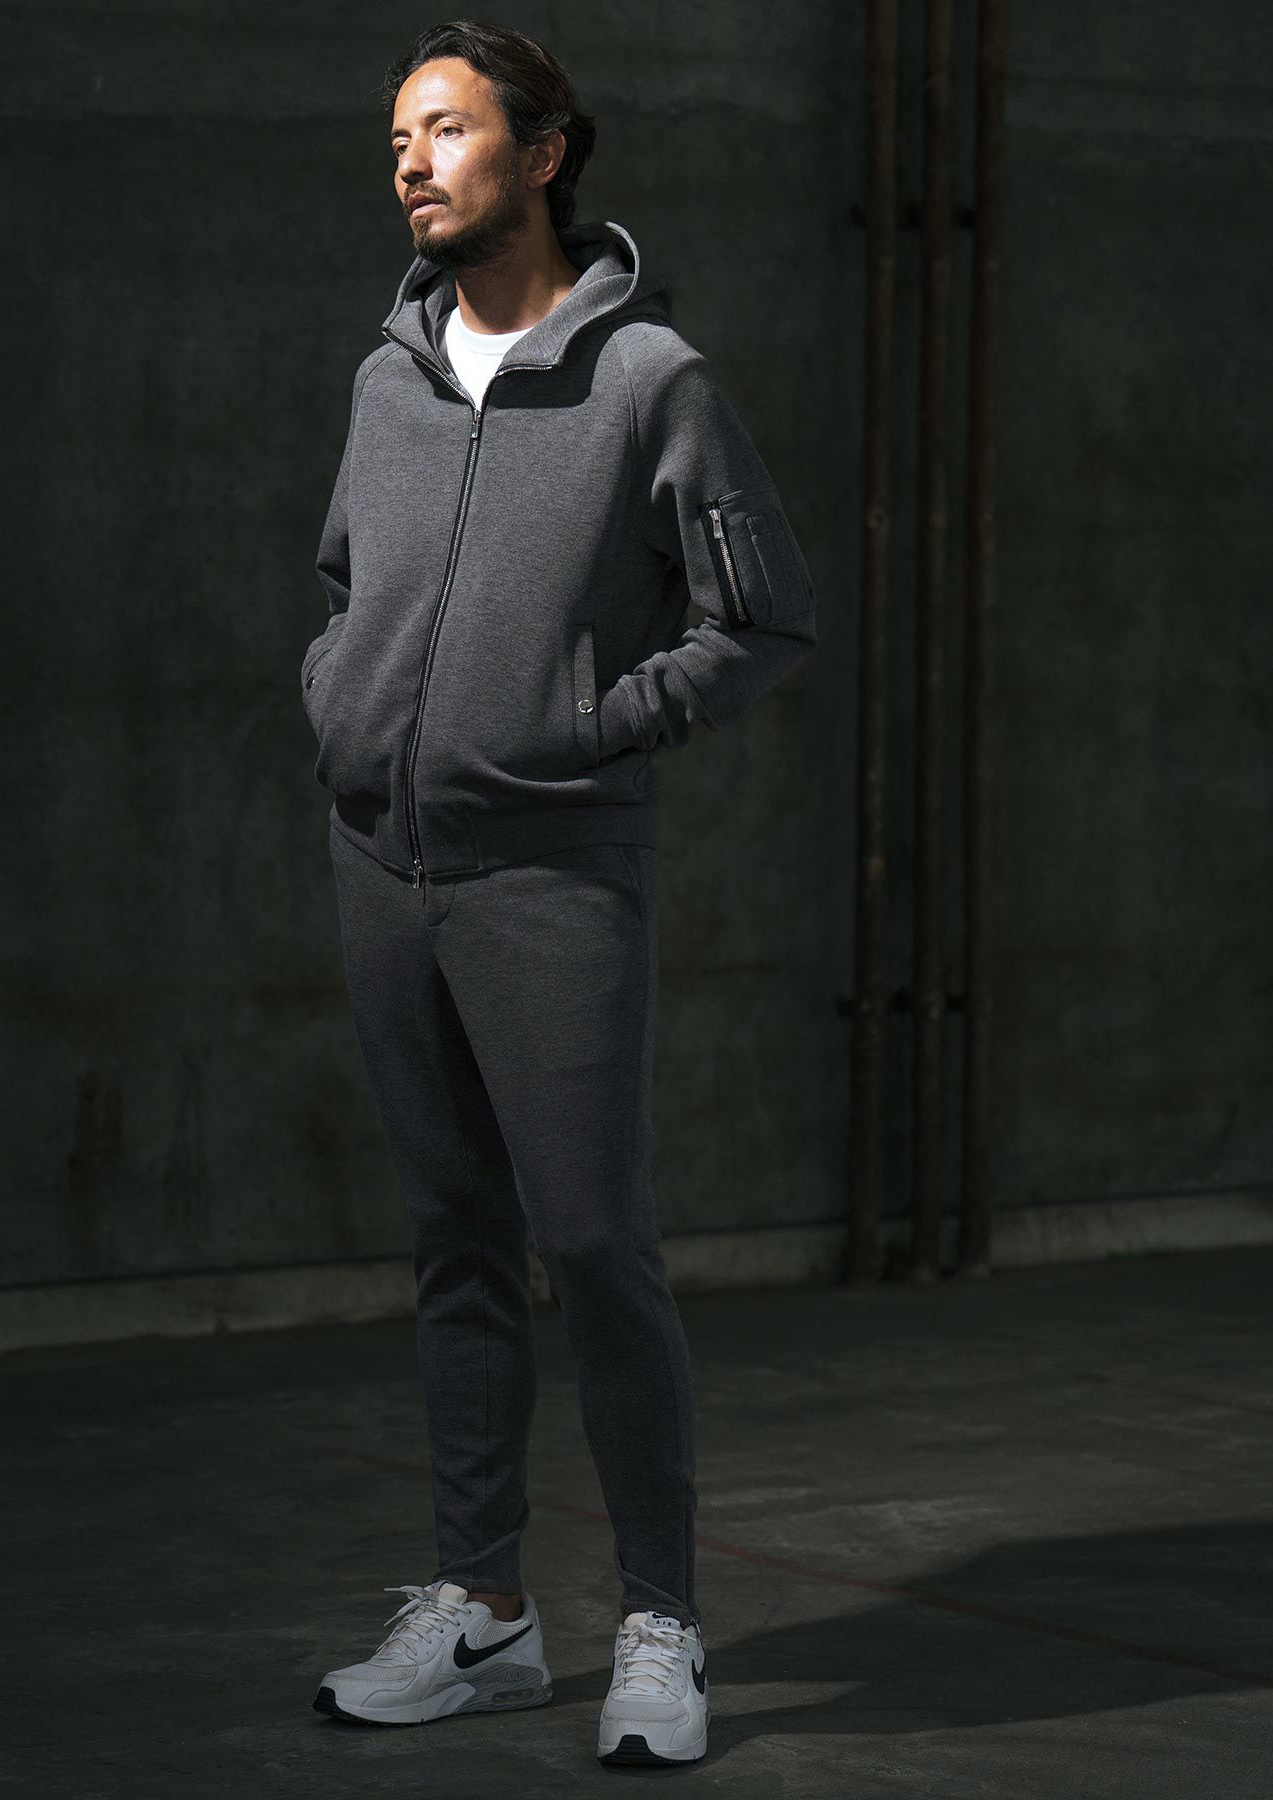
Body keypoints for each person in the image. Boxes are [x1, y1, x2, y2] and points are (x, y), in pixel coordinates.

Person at [304, 19, 817, 1769]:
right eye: (399, 135)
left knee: (592, 1248)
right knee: (456, 1246)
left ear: (544, 153)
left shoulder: (650, 379)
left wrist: (596, 727)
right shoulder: (385, 381)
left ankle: (660, 1625)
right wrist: (341, 700)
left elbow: (761, 617)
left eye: (447, 129)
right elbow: (343, 587)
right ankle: (484, 1614)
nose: (412, 159)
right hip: (384, 864)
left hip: (552, 871)